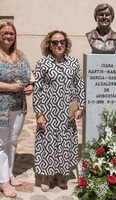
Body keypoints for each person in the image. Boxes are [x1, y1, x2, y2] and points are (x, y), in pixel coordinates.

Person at [33, 30, 85, 192]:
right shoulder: (43, 63)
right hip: (48, 112)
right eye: (55, 42)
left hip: (66, 113)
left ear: (66, 43)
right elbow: (38, 90)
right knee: (47, 144)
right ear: (49, 45)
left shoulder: (73, 63)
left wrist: (81, 106)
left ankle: (62, 175)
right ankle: (47, 177)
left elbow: (79, 84)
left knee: (66, 143)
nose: (59, 45)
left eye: (62, 41)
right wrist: (39, 114)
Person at [0, 21, 34, 198]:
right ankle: (3, 181)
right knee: (1, 143)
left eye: (11, 34)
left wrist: (30, 87)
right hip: (2, 107)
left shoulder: (20, 55)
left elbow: (30, 76)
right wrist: (9, 87)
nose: (8, 36)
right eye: (4, 33)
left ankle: (9, 173)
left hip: (19, 106)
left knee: (12, 142)